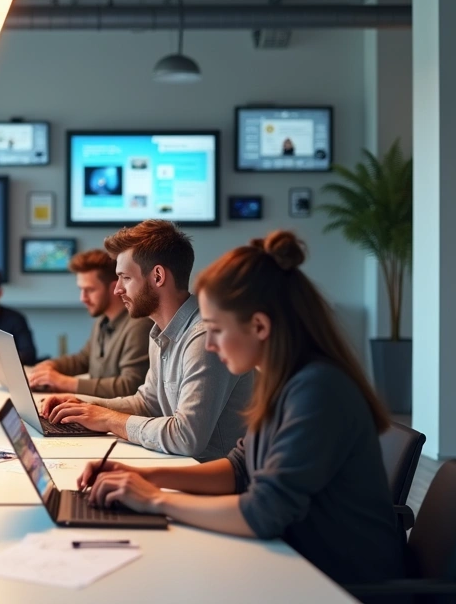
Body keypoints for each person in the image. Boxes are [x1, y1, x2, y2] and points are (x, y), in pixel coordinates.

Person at [78, 231, 406, 586]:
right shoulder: (286, 382)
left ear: (260, 327)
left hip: (340, 582)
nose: (211, 344)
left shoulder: (317, 391)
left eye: (217, 330)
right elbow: (239, 468)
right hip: (296, 559)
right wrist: (141, 476)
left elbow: (263, 513)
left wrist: (156, 500)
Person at [40, 220, 252, 462]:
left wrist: (106, 418)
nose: (118, 289)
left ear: (158, 276)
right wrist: (81, 405)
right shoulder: (160, 331)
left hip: (209, 478)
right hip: (178, 466)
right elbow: (147, 403)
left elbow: (186, 437)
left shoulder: (204, 338)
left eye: (125, 278)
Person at [28, 249, 151, 398]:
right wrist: (50, 366)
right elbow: (83, 359)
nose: (83, 298)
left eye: (90, 290)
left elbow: (130, 386)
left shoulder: (139, 325)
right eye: (81, 290)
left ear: (114, 288)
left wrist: (64, 382)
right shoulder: (103, 321)